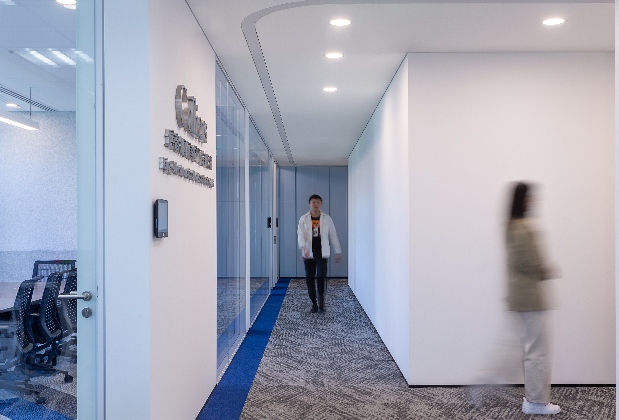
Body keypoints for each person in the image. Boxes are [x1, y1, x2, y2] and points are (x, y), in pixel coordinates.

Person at [506, 182, 560, 415]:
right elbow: (528, 263)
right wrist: (546, 269)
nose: (533, 200)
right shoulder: (521, 227)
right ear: (522, 200)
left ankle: (534, 399)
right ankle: (535, 402)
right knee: (536, 351)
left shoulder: (513, 226)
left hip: (523, 298)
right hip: (529, 298)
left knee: (531, 349)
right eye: (529, 197)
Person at [297, 194, 341, 313]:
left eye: (317, 202)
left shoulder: (327, 219)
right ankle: (314, 304)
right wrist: (303, 248)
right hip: (308, 253)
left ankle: (321, 300)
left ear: (321, 204)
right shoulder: (303, 219)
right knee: (309, 279)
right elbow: (300, 235)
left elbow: (333, 235)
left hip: (322, 253)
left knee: (321, 277)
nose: (315, 204)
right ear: (309, 204)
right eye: (313, 202)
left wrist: (337, 251)